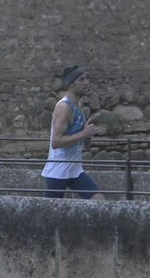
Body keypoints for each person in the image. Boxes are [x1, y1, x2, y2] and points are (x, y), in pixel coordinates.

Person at [42, 65, 104, 199]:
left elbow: (80, 142)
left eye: (87, 78)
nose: (86, 82)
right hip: (58, 172)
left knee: (99, 200)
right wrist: (83, 134)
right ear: (71, 84)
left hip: (75, 170)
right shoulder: (64, 107)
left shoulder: (78, 106)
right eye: (81, 79)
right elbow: (56, 142)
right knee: (49, 214)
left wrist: (87, 137)